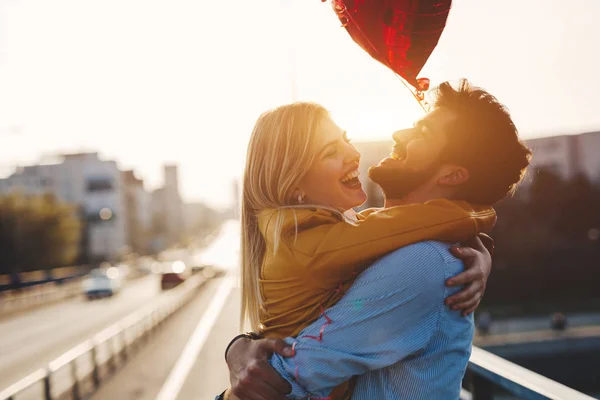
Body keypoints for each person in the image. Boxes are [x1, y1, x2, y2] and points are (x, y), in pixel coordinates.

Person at [223, 79, 532, 399]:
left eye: (422, 133)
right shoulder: (367, 242)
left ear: (452, 176)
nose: (399, 134)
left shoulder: (421, 262)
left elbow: (287, 379)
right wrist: (240, 346)